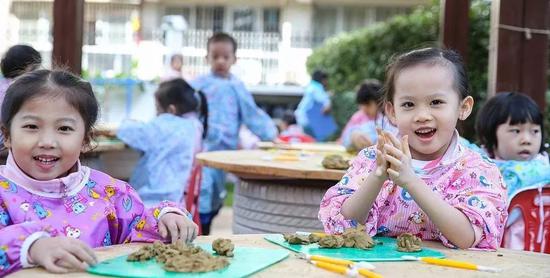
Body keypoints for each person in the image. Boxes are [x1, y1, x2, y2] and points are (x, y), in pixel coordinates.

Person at [0, 69, 198, 275]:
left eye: (64, 128)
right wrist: (31, 247)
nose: (47, 142)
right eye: (31, 126)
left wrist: (166, 220)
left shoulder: (110, 193)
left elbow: (138, 233)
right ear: (7, 135)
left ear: (85, 140)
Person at [318, 48, 507, 250]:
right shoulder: (373, 159)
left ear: (463, 107)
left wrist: (410, 180)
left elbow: (466, 238)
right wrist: (377, 177)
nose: (422, 115)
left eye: (436, 102)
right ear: (392, 112)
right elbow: (343, 225)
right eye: (408, 104)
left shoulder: (477, 170)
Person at [190, 32, 277, 235]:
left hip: (225, 153)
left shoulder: (237, 87)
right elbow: (186, 113)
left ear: (234, 59)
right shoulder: (197, 85)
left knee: (216, 196)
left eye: (225, 56)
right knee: (202, 191)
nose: (220, 61)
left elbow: (252, 114)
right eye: (215, 56)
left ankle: (208, 222)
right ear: (207, 58)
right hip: (200, 152)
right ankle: (201, 230)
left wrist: (271, 134)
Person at [475, 92, 550, 250]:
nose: (526, 140)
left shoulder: (545, 167)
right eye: (516, 131)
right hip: (499, 251)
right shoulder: (477, 167)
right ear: (490, 134)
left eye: (535, 131)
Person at [116, 78, 208, 207]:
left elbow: (130, 131)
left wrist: (127, 122)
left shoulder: (168, 124)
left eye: (157, 109)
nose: (157, 115)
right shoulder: (194, 125)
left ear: (171, 110)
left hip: (151, 202)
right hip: (178, 198)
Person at [0, 45, 42, 144]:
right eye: (36, 68)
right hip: (6, 142)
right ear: (28, 68)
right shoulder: (22, 89)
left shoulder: (2, 84)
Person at [340, 79, 398, 151]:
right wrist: (353, 136)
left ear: (379, 102)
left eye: (368, 104)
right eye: (362, 104)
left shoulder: (385, 120)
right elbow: (345, 139)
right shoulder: (358, 117)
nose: (364, 108)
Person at [294, 70, 331, 138]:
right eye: (326, 80)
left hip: (304, 120)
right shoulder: (316, 88)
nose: (327, 82)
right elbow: (325, 104)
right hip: (308, 121)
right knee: (315, 142)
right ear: (322, 79)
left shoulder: (311, 87)